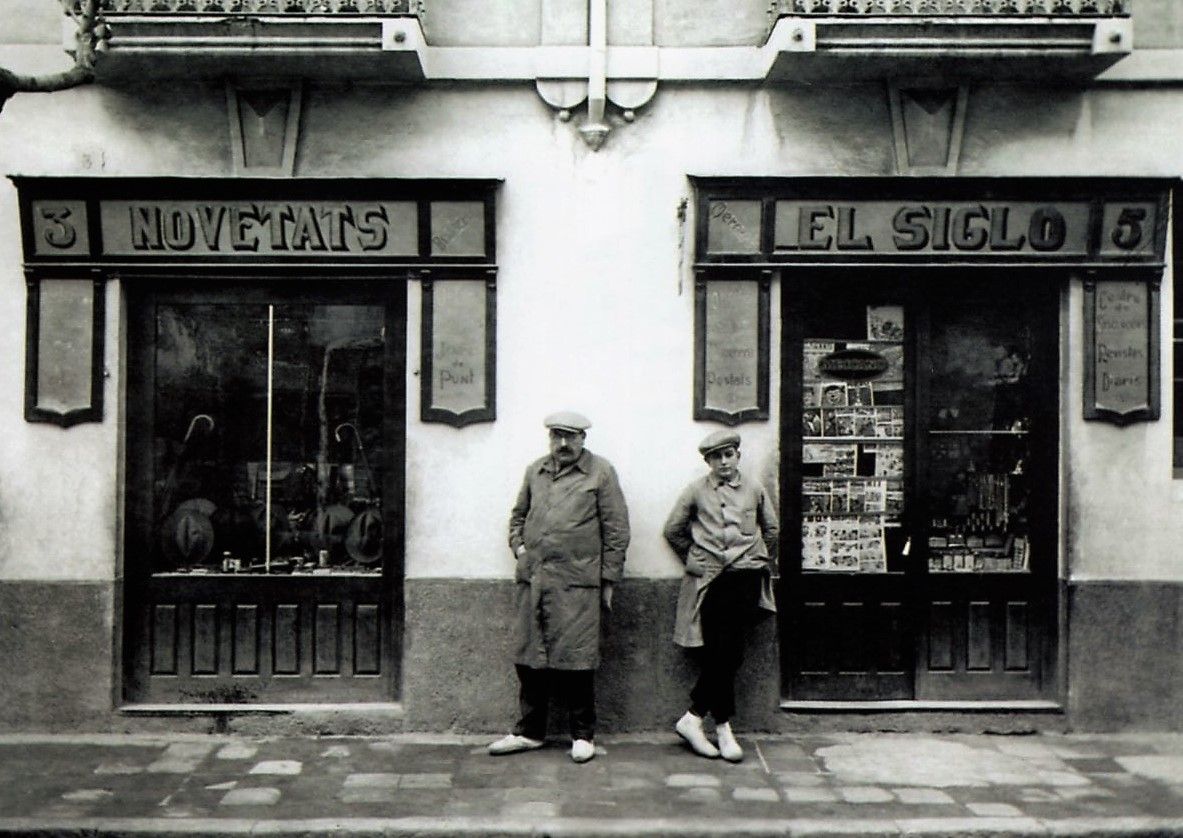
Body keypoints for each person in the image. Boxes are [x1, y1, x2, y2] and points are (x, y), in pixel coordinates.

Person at [488, 411, 631, 764]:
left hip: (578, 584)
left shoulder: (601, 472)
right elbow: (517, 516)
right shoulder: (535, 471)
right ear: (549, 437)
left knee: (577, 660)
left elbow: (617, 531)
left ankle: (582, 735)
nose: (563, 444)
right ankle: (530, 732)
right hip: (535, 581)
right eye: (557, 436)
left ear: (583, 438)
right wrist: (520, 550)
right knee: (529, 658)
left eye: (571, 436)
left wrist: (608, 581)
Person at [662, 429, 778, 762]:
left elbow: (771, 529)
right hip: (711, 581)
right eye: (716, 457)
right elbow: (673, 529)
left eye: (728, 455)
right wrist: (692, 559)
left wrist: (759, 559)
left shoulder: (753, 489)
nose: (723, 462)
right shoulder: (696, 491)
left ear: (737, 457)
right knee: (718, 653)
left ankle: (694, 717)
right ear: (708, 462)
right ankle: (723, 729)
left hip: (744, 579)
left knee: (733, 654)